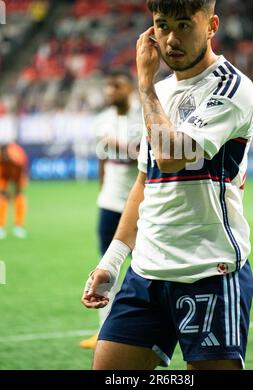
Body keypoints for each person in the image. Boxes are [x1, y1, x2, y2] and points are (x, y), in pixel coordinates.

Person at [82, 0, 253, 370]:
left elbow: (171, 156)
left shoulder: (231, 88)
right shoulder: (161, 93)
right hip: (146, 272)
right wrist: (112, 262)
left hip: (208, 272)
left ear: (211, 25)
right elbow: (147, 182)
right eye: (162, 26)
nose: (172, 40)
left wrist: (144, 86)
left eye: (184, 25)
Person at [80, 67, 142, 349]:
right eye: (107, 86)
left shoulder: (144, 117)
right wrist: (102, 189)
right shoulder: (102, 120)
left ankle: (151, 328)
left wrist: (123, 148)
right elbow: (103, 160)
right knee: (106, 267)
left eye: (115, 86)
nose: (109, 92)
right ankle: (105, 331)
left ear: (129, 88)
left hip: (140, 206)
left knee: (146, 269)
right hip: (109, 204)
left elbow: (148, 160)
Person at [0, 143, 28, 239]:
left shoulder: (17, 157)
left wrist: (16, 188)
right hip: (3, 174)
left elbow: (20, 170)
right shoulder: (2, 159)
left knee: (19, 196)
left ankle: (18, 227)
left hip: (17, 173)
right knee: (2, 197)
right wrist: (3, 190)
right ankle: (1, 227)